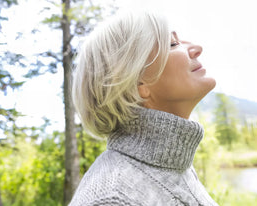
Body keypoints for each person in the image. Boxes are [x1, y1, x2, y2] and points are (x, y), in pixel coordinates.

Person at [70, 9, 218, 206]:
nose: (197, 48)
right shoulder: (113, 199)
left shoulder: (174, 167)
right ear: (137, 82)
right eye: (172, 44)